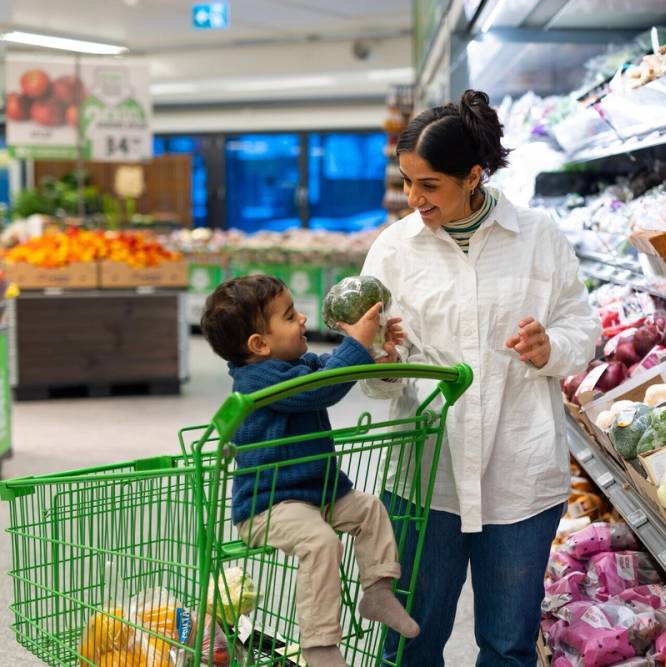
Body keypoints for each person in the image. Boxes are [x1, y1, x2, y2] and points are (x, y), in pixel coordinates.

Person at [361, 89, 601, 666]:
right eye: (407, 181)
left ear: (473, 176)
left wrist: (550, 347)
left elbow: (582, 331)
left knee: (508, 644)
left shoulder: (538, 237)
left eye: (429, 185)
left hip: (516, 475)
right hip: (425, 475)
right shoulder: (394, 250)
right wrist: (381, 361)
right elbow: (370, 368)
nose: (413, 198)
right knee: (410, 641)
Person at [200, 274, 419, 667]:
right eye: (289, 315)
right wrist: (354, 343)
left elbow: (325, 368)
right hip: (269, 506)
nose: (302, 318)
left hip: (316, 495)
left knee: (370, 508)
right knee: (321, 543)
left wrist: (373, 356)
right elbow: (320, 387)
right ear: (259, 344)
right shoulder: (257, 380)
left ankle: (378, 591)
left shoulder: (292, 364)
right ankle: (319, 647)